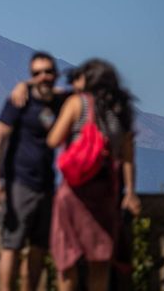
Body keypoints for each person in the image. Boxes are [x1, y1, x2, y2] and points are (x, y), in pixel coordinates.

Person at [46, 59, 140, 291]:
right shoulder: (120, 111)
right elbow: (127, 157)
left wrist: (51, 116)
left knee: (67, 263)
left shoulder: (77, 104)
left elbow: (53, 139)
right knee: (99, 263)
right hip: (105, 195)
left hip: (74, 193)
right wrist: (130, 192)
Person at [0, 52, 66, 291]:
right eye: (37, 73)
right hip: (19, 182)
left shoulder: (59, 102)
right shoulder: (19, 100)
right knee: (12, 244)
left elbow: (82, 89)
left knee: (39, 248)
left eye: (48, 72)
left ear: (56, 74)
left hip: (47, 184)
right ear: (31, 76)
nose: (43, 77)